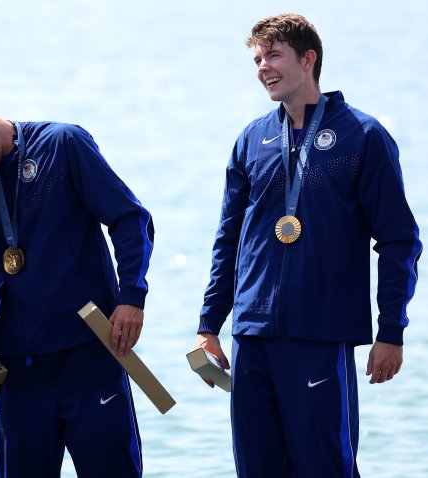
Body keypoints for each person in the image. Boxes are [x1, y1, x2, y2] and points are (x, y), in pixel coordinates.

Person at [193, 13, 422, 477]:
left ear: (308, 59)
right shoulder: (252, 139)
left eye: (273, 55)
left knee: (324, 468)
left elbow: (400, 241)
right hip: (251, 334)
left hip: (320, 332)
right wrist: (208, 324)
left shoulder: (363, 136)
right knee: (257, 469)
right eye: (258, 59)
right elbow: (228, 240)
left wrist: (391, 330)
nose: (263, 67)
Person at [0, 103, 155, 477]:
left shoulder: (63, 143)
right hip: (18, 368)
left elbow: (129, 219)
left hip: (87, 355)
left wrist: (131, 296)